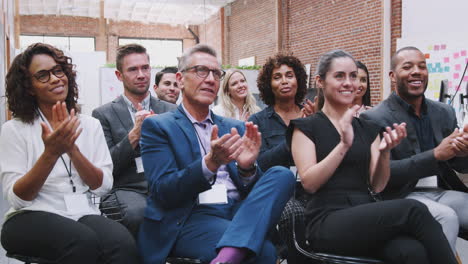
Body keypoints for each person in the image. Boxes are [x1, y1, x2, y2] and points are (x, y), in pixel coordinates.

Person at [288, 49, 457, 263]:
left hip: (365, 213)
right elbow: (310, 184)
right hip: (326, 221)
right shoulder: (305, 127)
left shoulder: (368, 128)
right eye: (339, 76)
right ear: (320, 81)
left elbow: (377, 186)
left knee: (411, 252)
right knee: (414, 209)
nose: (349, 83)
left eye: (354, 76)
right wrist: (343, 145)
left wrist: (385, 152)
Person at [137, 44, 295, 264]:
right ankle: (231, 255)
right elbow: (163, 191)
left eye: (216, 74)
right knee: (263, 253)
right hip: (191, 215)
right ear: (181, 79)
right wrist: (209, 164)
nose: (210, 79)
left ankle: (226, 258)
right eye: (201, 71)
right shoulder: (158, 126)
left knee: (282, 175)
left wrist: (247, 168)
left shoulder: (234, 127)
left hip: (239, 211)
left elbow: (254, 192)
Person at [0, 43, 139, 264]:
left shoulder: (90, 125)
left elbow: (102, 187)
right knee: (81, 241)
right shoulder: (14, 129)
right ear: (28, 86)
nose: (55, 79)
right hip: (27, 216)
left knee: (123, 244)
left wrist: (72, 149)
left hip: (81, 212)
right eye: (43, 75)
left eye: (58, 71)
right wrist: (51, 153)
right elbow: (18, 199)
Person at [361, 46, 468, 254]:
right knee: (446, 216)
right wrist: (435, 154)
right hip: (400, 196)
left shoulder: (444, 112)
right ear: (393, 76)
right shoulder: (373, 118)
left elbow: (459, 166)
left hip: (441, 191)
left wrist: (464, 152)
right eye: (407, 67)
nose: (416, 71)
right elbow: (380, 178)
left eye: (422, 66)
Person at [92, 44, 176, 237]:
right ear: (119, 75)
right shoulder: (103, 114)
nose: (141, 74)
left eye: (145, 68)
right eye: (133, 69)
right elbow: (105, 166)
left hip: (166, 187)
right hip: (126, 189)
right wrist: (134, 134)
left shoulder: (170, 111)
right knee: (140, 214)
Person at [249, 53, 315, 171]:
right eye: (277, 77)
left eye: (289, 76)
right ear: (268, 85)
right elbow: (259, 164)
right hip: (278, 185)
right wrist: (292, 136)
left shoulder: (310, 116)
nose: (284, 81)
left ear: (298, 80)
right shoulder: (257, 121)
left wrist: (317, 125)